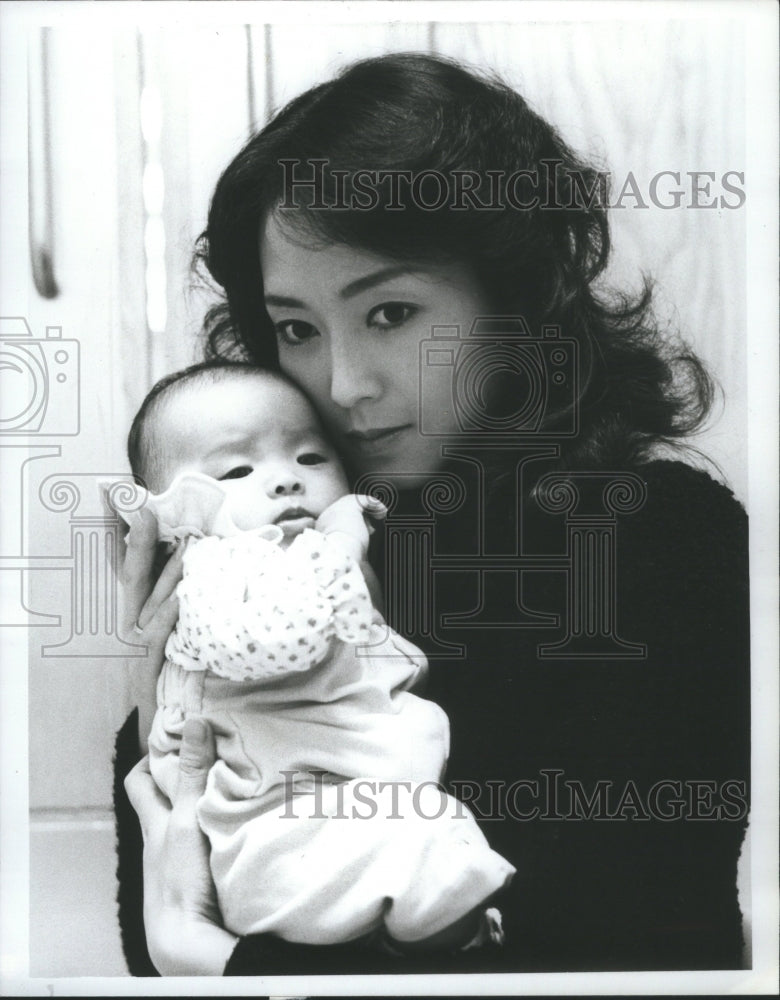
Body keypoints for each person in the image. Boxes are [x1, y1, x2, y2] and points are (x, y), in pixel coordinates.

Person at [115, 52, 750, 975]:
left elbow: (623, 949)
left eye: (391, 313)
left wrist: (211, 960)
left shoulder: (660, 540)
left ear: (515, 304)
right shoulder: (271, 564)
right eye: (296, 328)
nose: (343, 385)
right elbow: (160, 928)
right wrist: (153, 677)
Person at [124, 359, 514, 950]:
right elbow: (283, 638)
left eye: (310, 457)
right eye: (237, 469)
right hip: (276, 828)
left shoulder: (309, 563)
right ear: (177, 516)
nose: (286, 480)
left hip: (341, 810)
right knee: (424, 860)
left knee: (431, 853)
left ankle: (440, 940)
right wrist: (342, 543)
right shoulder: (217, 571)